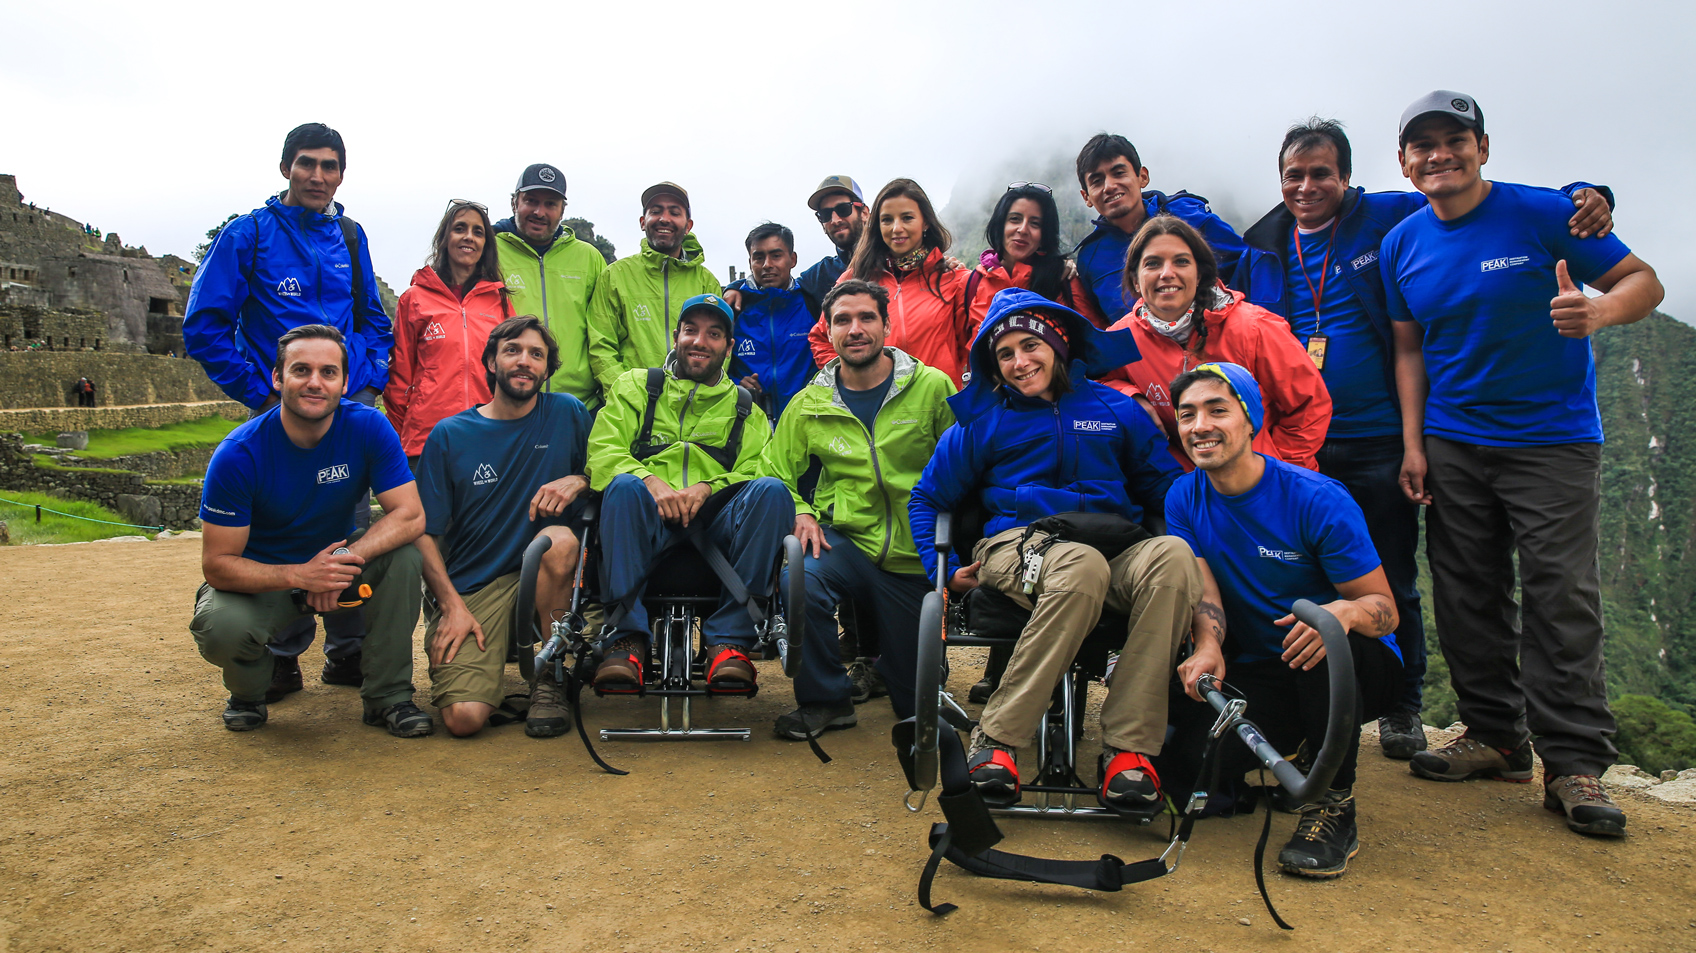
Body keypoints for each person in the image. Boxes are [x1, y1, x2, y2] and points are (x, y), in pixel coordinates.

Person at [1230, 119, 1616, 760]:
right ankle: (1315, 704)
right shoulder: (1262, 244)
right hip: (1301, 445)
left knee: (1392, 574)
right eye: (1294, 176)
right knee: (1305, 571)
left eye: (1322, 173)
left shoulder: (1390, 218)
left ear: (1349, 176)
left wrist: (1583, 192)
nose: (1307, 187)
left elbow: (1471, 199)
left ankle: (1403, 705)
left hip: (1383, 435)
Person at [1383, 91, 1663, 838]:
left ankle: (1573, 762)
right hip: (1452, 438)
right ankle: (1495, 733)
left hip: (1552, 439)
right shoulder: (1402, 243)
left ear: (1482, 146)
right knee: (1467, 588)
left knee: (1558, 592)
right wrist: (1415, 443)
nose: (1438, 155)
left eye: (1453, 140)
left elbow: (1643, 280)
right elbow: (1409, 347)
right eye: (1423, 146)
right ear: (1404, 162)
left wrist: (1600, 312)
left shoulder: (1545, 213)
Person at [909, 288, 1199, 811]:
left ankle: (1129, 751)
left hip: (1116, 545)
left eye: (1030, 346)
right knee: (1080, 565)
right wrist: (941, 569)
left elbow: (1167, 492)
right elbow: (928, 497)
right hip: (1018, 543)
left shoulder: (1117, 408)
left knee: (1175, 559)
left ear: (1059, 345)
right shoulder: (984, 420)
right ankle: (997, 740)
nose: (1020, 363)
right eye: (1005, 354)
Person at [1165, 362, 1403, 879]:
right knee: (1183, 773)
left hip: (1350, 668)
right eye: (1187, 415)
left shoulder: (1316, 498)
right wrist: (1208, 647)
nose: (1199, 425)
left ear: (1250, 419)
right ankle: (1295, 748)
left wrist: (1343, 612)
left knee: (1320, 635)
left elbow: (1385, 612)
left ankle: (1332, 807)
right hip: (1262, 667)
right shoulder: (1184, 496)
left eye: (1217, 410)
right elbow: (1206, 593)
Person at [183, 122, 392, 694]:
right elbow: (204, 326)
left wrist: (365, 379)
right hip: (281, 408)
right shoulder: (248, 235)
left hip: (346, 407)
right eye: (307, 163)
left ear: (342, 175)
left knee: (350, 524)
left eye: (329, 166)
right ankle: (279, 650)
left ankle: (348, 649)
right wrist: (261, 391)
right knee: (277, 527)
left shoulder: (349, 236)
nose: (318, 176)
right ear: (285, 169)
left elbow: (373, 319)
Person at [190, 325, 430, 737]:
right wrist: (300, 575)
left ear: (345, 382)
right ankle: (251, 689)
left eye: (328, 372)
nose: (315, 382)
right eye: (301, 370)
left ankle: (388, 696)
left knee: (404, 556)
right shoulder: (238, 454)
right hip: (266, 577)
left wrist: (340, 562)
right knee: (220, 628)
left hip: (337, 564)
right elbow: (217, 565)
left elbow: (409, 515)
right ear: (277, 378)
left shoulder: (368, 426)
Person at [760, 279, 956, 739]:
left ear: (887, 326)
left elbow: (965, 464)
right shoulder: (810, 402)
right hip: (845, 540)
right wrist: (800, 512)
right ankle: (826, 699)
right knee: (799, 574)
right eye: (842, 320)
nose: (855, 329)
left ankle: (904, 675)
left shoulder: (931, 387)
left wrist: (953, 540)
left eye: (866, 317)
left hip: (916, 551)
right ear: (828, 332)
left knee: (913, 709)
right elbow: (772, 468)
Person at [587, 293, 793, 692]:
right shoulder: (636, 386)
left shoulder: (745, 406)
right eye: (691, 330)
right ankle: (627, 641)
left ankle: (729, 642)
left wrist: (708, 487)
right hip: (644, 520)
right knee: (625, 484)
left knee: (771, 490)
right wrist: (650, 481)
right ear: (676, 336)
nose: (700, 341)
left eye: (714, 333)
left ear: (729, 347)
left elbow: (758, 467)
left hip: (717, 526)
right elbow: (602, 449)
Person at [415, 316, 591, 738]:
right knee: (464, 719)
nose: (524, 362)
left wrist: (581, 478)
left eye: (536, 354)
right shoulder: (450, 435)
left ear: (548, 369)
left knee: (559, 539)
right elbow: (423, 533)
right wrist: (450, 606)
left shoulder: (567, 413)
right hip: (476, 586)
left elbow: (611, 467)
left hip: (550, 576)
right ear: (491, 362)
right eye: (512, 350)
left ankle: (548, 676)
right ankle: (489, 667)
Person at [1103, 215, 1332, 471]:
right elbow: (1098, 382)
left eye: (1181, 261)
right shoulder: (1121, 337)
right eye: (1153, 264)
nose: (1167, 274)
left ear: (1199, 274)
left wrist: (1276, 472)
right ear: (1136, 279)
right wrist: (1132, 398)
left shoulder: (1254, 327)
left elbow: (1310, 405)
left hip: (1269, 485)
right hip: (1191, 491)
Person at [804, 179, 976, 386]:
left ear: (926, 222)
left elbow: (973, 347)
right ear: (877, 224)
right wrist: (852, 382)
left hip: (941, 407)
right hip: (879, 411)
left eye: (907, 218)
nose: (896, 228)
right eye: (887, 220)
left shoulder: (955, 279)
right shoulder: (854, 279)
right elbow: (821, 338)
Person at [385, 199, 512, 464]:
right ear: (445, 237)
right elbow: (399, 376)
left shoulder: (498, 300)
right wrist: (400, 435)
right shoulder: (415, 298)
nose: (469, 237)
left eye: (478, 232)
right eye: (460, 228)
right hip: (426, 440)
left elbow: (510, 370)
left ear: (486, 244)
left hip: (488, 436)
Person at [1072, 134, 1248, 321]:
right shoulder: (1090, 259)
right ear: (1086, 197)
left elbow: (1250, 266)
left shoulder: (1190, 219)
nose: (1109, 186)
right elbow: (1100, 327)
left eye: (1119, 173)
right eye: (1097, 181)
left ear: (1142, 177)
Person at [587, 182, 721, 395]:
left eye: (674, 212)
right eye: (655, 211)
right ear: (643, 222)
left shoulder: (707, 283)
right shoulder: (615, 276)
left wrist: (699, 395)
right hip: (631, 407)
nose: (664, 218)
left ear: (688, 225)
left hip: (692, 406)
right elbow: (600, 346)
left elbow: (719, 348)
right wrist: (629, 396)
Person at [493, 163, 608, 406]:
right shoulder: (489, 252)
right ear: (514, 203)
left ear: (562, 210)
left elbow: (605, 332)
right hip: (506, 403)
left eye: (550, 204)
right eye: (531, 201)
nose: (539, 212)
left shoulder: (589, 258)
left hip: (578, 405)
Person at [970, 182, 1105, 328]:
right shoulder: (972, 284)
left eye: (1035, 224)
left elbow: (1093, 340)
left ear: (1044, 236)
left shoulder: (1064, 280)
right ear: (1000, 225)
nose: (1023, 229)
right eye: (1015, 219)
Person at [722, 223, 819, 420]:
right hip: (748, 423)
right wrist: (735, 385)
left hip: (807, 421)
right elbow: (712, 365)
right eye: (759, 257)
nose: (767, 264)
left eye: (776, 255)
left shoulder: (813, 302)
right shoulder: (734, 309)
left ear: (793, 259)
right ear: (750, 262)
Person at [797, 175, 869, 310]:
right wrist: (743, 291)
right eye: (825, 214)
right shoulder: (817, 277)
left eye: (843, 209)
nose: (835, 220)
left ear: (864, 213)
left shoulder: (895, 262)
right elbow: (778, 292)